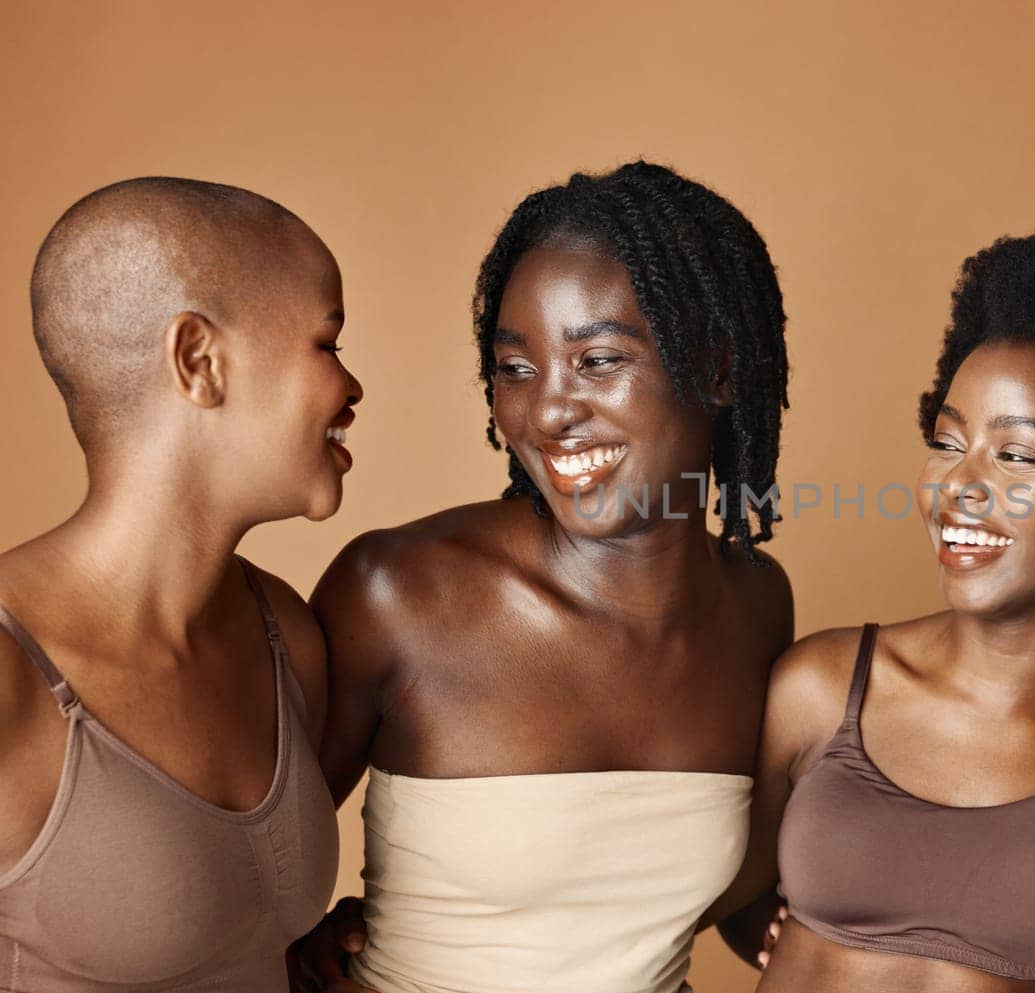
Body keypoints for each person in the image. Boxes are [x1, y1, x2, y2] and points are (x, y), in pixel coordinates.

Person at [292, 161, 794, 993]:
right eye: (515, 368)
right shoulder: (399, 593)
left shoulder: (756, 601)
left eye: (596, 360)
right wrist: (301, 944)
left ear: (719, 367)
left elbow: (681, 879)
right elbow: (245, 876)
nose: (549, 410)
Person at [714, 230, 1035, 993]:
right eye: (948, 441)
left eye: (1016, 455)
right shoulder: (819, 683)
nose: (960, 485)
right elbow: (722, 887)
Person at [0, 177, 356, 989]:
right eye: (328, 343)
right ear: (199, 359)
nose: (352, 386)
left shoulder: (289, 639)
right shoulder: (10, 673)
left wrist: (309, 953)